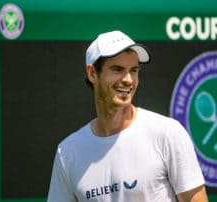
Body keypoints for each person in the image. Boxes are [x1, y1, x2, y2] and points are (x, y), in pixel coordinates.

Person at [48, 30, 208, 202]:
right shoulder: (68, 152)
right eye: (117, 69)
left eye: (134, 70)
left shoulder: (168, 133)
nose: (128, 79)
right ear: (93, 73)